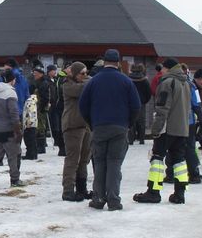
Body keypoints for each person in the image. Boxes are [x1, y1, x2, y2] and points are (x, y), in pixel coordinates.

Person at [78, 49, 141, 211]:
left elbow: (83, 106)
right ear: (118, 62)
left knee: (99, 163)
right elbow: (136, 106)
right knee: (114, 164)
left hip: (99, 127)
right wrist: (128, 123)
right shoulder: (126, 81)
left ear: (104, 62)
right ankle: (114, 200)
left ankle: (98, 198)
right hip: (120, 127)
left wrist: (92, 123)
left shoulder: (93, 81)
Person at [134, 58, 190, 205]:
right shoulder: (185, 83)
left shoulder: (167, 83)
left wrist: (156, 129)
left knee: (157, 159)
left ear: (167, 69)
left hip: (167, 128)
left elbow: (162, 108)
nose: (161, 71)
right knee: (179, 161)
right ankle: (180, 193)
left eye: (163, 69)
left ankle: (153, 192)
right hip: (182, 129)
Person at [61, 62, 92, 201]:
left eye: (86, 73)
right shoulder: (68, 85)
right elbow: (81, 90)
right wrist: (90, 81)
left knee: (84, 159)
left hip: (85, 125)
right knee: (73, 159)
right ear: (74, 73)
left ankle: (82, 188)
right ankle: (68, 190)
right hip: (72, 125)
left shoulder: (84, 83)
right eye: (82, 73)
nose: (85, 76)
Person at [128, 63, 152, 145]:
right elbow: (149, 92)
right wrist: (144, 101)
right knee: (141, 121)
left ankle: (131, 139)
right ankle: (141, 139)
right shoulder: (144, 80)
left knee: (131, 121)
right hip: (141, 102)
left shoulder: (128, 79)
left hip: (130, 103)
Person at [47, 64, 66, 155]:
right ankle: (56, 140)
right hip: (52, 105)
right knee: (54, 124)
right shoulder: (48, 81)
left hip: (56, 104)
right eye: (53, 70)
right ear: (49, 71)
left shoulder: (55, 80)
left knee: (57, 124)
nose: (55, 72)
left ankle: (57, 140)